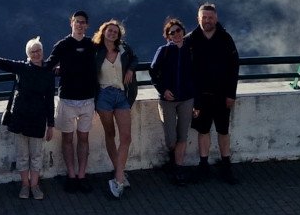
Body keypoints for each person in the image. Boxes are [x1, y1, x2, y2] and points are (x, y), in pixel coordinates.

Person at [0, 34, 57, 199]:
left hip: (38, 119)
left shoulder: (48, 73)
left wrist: (51, 124)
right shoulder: (22, 67)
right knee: (23, 155)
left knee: (36, 155)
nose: (36, 54)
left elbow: (50, 100)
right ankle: (25, 185)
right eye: (33, 51)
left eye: (39, 50)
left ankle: (34, 186)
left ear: (43, 52)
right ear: (28, 54)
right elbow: (0, 62)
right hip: (21, 117)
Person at [187, 2, 240, 184]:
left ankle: (226, 166)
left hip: (222, 94)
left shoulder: (225, 38)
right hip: (200, 97)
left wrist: (231, 94)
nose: (207, 20)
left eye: (210, 17)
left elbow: (234, 67)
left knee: (223, 130)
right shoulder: (190, 39)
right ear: (198, 18)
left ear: (216, 18)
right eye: (204, 17)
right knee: (203, 130)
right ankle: (204, 166)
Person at [49, 10, 101, 192]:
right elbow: (48, 65)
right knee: (67, 139)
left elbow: (113, 52)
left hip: (87, 98)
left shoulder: (92, 45)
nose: (79, 25)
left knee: (84, 139)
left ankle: (82, 175)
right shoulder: (62, 45)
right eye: (76, 21)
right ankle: (71, 176)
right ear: (71, 23)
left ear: (87, 25)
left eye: (82, 22)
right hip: (67, 99)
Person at [91, 19, 138, 198]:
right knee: (110, 134)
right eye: (109, 31)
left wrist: (131, 69)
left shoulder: (124, 49)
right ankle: (120, 174)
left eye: (115, 32)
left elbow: (135, 58)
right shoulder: (95, 50)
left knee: (126, 137)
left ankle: (118, 176)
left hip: (121, 95)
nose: (112, 33)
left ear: (118, 35)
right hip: (103, 96)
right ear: (103, 32)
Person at [149, 16, 195, 185]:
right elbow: (153, 72)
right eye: (172, 32)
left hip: (187, 98)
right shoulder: (164, 51)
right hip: (167, 100)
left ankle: (178, 168)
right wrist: (163, 90)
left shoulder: (190, 49)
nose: (176, 34)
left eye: (178, 31)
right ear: (167, 36)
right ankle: (174, 163)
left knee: (183, 135)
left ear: (183, 32)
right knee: (171, 138)